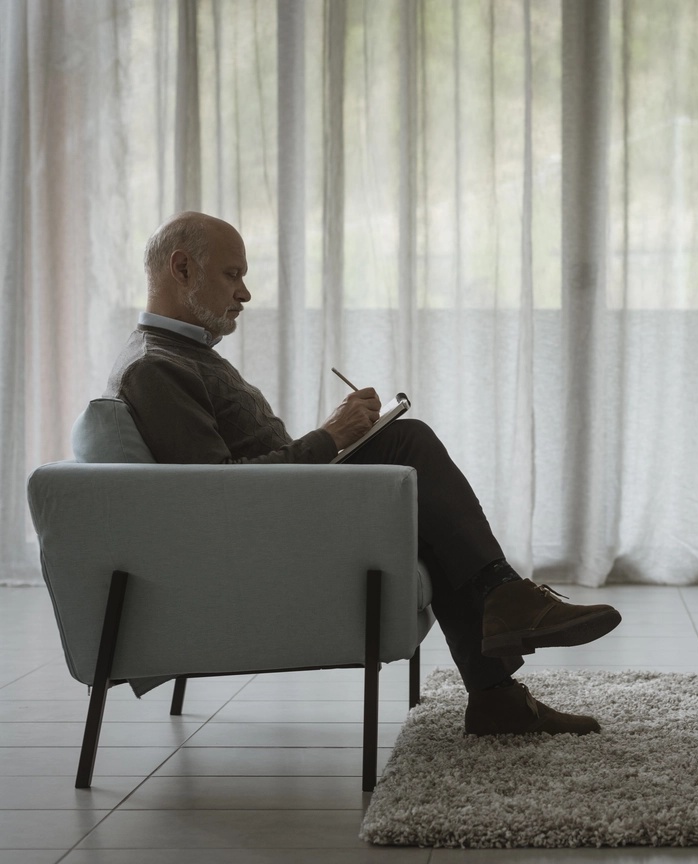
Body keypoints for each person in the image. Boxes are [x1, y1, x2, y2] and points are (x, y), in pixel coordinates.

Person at [106, 211, 623, 736]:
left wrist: (338, 438)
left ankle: (497, 692)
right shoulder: (158, 366)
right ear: (182, 268)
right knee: (407, 441)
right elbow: (215, 491)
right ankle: (504, 608)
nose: (245, 293)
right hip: (260, 541)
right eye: (232, 274)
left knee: (415, 491)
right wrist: (331, 437)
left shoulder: (184, 354)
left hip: (276, 516)